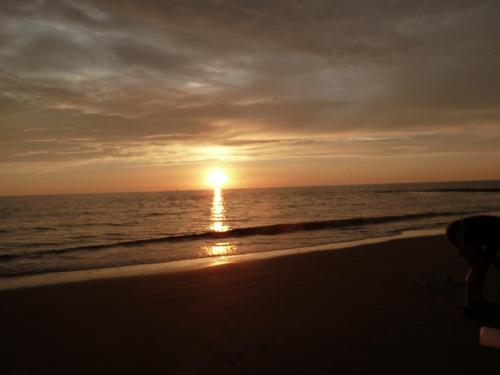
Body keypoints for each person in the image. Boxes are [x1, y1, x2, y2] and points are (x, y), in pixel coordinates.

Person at [446, 215, 500, 317]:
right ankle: (468, 307)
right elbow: (491, 251)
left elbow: (490, 251)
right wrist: (497, 264)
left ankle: (479, 299)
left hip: (468, 234)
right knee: (478, 266)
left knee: (484, 264)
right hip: (459, 231)